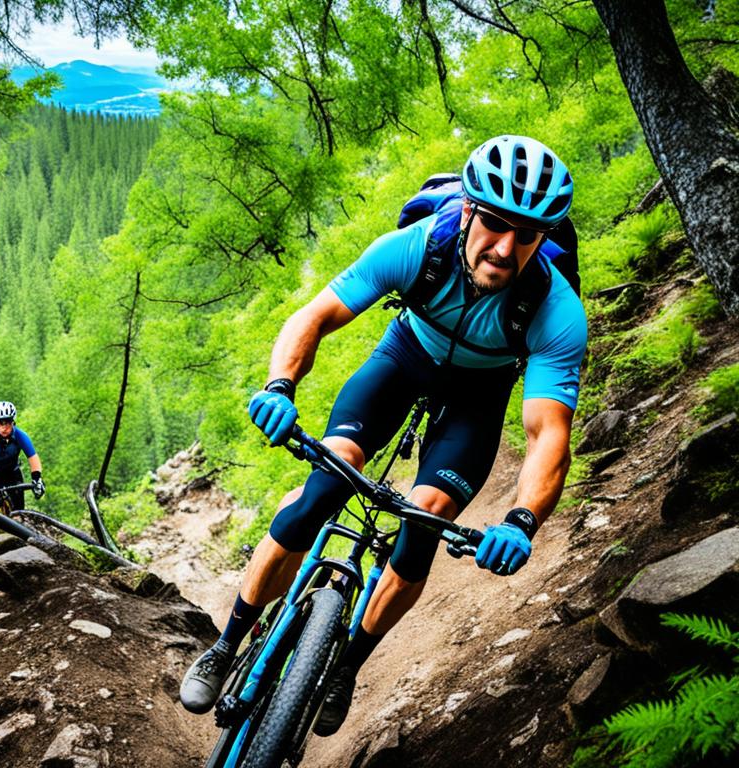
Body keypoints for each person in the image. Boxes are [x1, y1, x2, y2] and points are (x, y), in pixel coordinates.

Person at [179, 136, 587, 736]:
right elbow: (314, 317)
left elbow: (548, 433)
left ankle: (345, 667)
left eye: (525, 235)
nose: (505, 248)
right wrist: (279, 387)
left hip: (477, 395)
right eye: (495, 224)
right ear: (468, 211)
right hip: (404, 359)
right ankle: (226, 644)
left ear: (542, 238)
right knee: (322, 488)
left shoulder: (556, 310)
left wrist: (522, 521)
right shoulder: (417, 248)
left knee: (427, 520)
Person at [0, 401, 44, 510]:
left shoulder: (21, 436)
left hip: (13, 472)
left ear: (13, 422)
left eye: (7, 422)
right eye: (0, 423)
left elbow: (32, 457)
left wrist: (37, 479)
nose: (4, 427)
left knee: (19, 510)